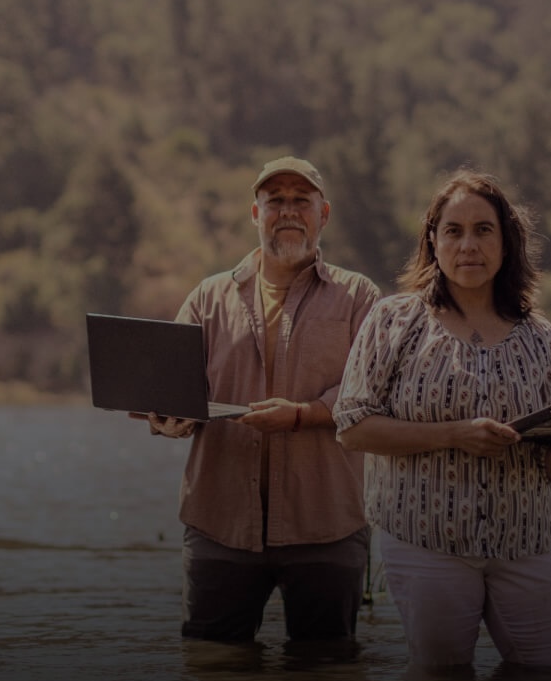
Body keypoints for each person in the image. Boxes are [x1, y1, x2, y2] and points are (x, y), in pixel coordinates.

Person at [332, 168, 551, 671]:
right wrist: (455, 435)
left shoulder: (545, 340)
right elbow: (351, 428)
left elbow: (547, 465)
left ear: (506, 243)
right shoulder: (394, 321)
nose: (468, 245)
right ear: (432, 241)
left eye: (483, 230)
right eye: (453, 231)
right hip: (425, 537)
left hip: (524, 543)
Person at [139, 156, 381, 650]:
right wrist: (167, 418)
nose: (288, 211)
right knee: (212, 677)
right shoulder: (208, 298)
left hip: (327, 526)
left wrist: (301, 415)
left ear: (324, 214)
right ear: (256, 213)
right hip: (218, 525)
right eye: (276, 201)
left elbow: (371, 391)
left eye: (301, 201)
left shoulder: (358, 297)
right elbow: (173, 392)